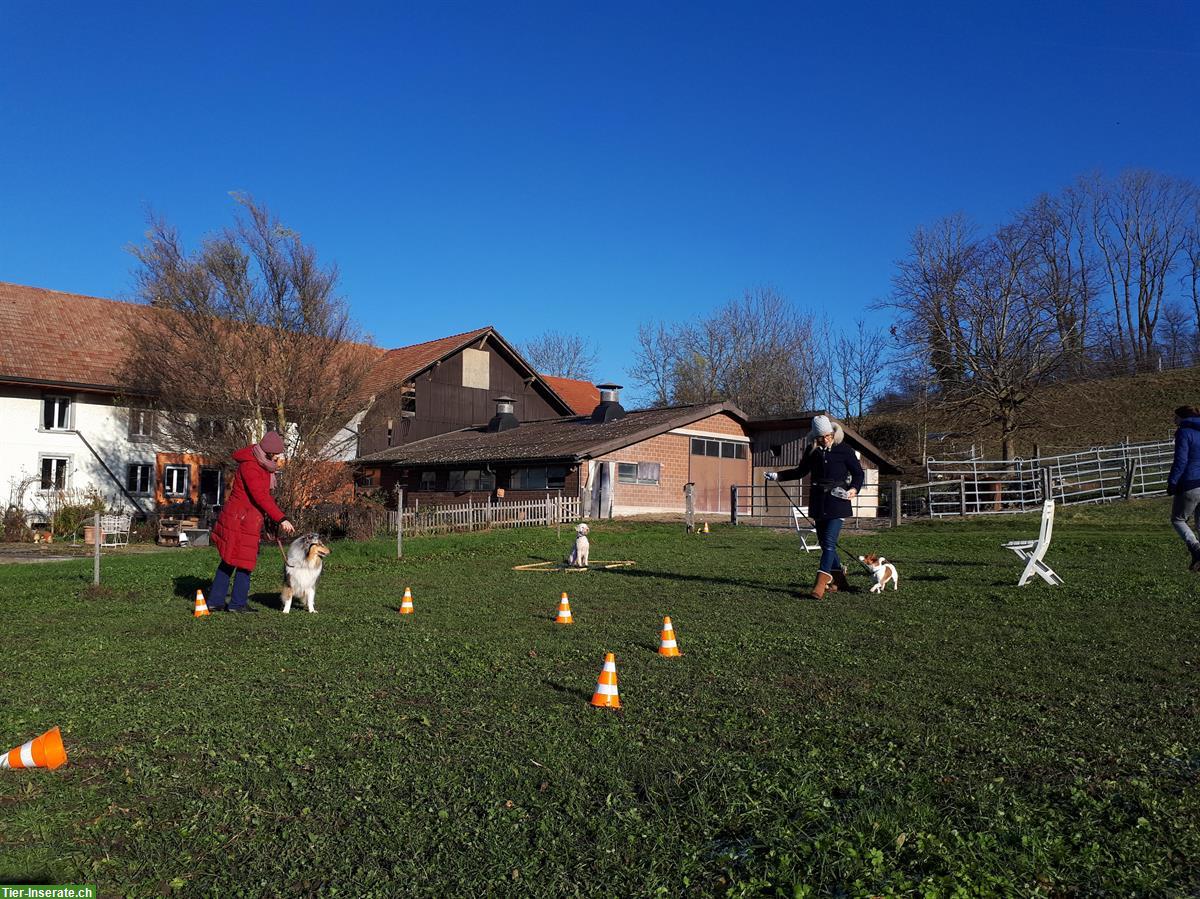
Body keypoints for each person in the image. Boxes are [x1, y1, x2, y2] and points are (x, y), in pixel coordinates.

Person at [766, 414, 864, 599]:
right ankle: (840, 581)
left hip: (838, 501)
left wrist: (854, 489)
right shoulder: (812, 452)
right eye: (821, 437)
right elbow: (800, 471)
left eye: (828, 436)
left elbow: (858, 474)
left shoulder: (845, 450)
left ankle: (819, 585)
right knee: (829, 544)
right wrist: (778, 476)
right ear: (815, 438)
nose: (826, 440)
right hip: (818, 502)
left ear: (833, 433)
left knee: (827, 543)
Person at [208, 430, 295, 612]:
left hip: (247, 519)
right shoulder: (251, 466)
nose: (277, 457)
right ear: (268, 450)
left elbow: (262, 497)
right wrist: (281, 519)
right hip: (240, 520)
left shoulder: (261, 463)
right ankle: (236, 603)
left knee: (232, 559)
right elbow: (261, 496)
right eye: (276, 453)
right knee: (241, 561)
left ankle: (217, 601)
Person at [1167, 404, 1200, 571]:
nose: (1174, 420)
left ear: (1183, 417)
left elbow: (1181, 461)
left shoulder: (1184, 432)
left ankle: (1196, 549)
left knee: (1178, 520)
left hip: (1190, 482)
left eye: (1176, 417)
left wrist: (1172, 482)